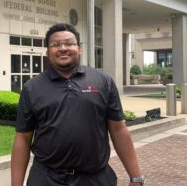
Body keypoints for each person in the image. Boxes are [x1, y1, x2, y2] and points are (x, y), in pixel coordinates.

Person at [11, 23, 144, 186]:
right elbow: (23, 138)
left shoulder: (103, 81)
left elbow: (118, 129)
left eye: (69, 43)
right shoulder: (32, 88)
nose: (62, 48)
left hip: (95, 179)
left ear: (79, 48)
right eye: (55, 44)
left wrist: (136, 177)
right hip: (47, 179)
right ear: (47, 52)